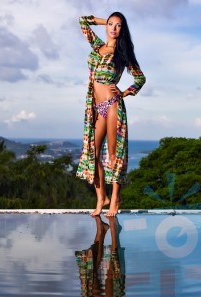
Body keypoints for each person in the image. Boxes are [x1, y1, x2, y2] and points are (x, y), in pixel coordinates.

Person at [76, 12, 146, 217]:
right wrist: (102, 20)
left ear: (122, 30)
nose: (114, 28)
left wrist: (125, 92)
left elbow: (140, 78)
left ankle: (115, 198)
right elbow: (83, 21)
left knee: (114, 155)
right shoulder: (97, 46)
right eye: (111, 24)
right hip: (96, 107)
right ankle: (101, 198)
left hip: (113, 104)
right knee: (93, 154)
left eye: (118, 26)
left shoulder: (123, 53)